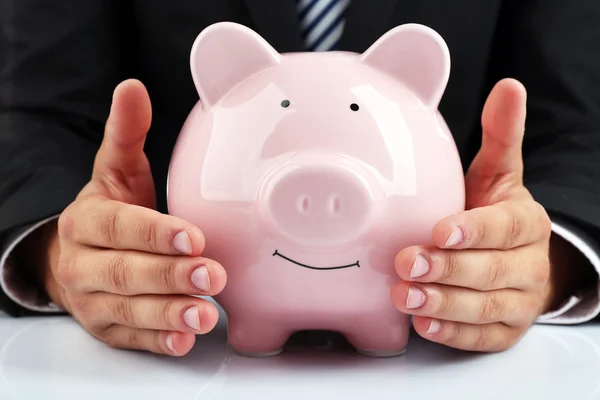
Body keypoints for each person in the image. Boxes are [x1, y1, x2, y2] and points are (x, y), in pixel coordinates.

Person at [0, 0, 599, 357]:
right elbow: (35, 108)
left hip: (429, 298)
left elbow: (582, 120)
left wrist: (545, 261)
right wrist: (62, 252)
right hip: (194, 305)